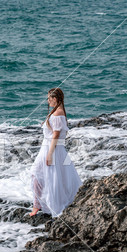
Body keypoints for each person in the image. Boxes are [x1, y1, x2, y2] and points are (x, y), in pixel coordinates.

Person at [29, 88, 83, 218]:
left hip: (51, 148)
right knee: (52, 177)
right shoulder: (57, 111)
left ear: (55, 99)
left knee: (37, 174)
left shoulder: (58, 114)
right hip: (50, 148)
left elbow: (56, 136)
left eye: (49, 98)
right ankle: (40, 204)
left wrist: (50, 154)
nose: (47, 101)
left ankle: (38, 205)